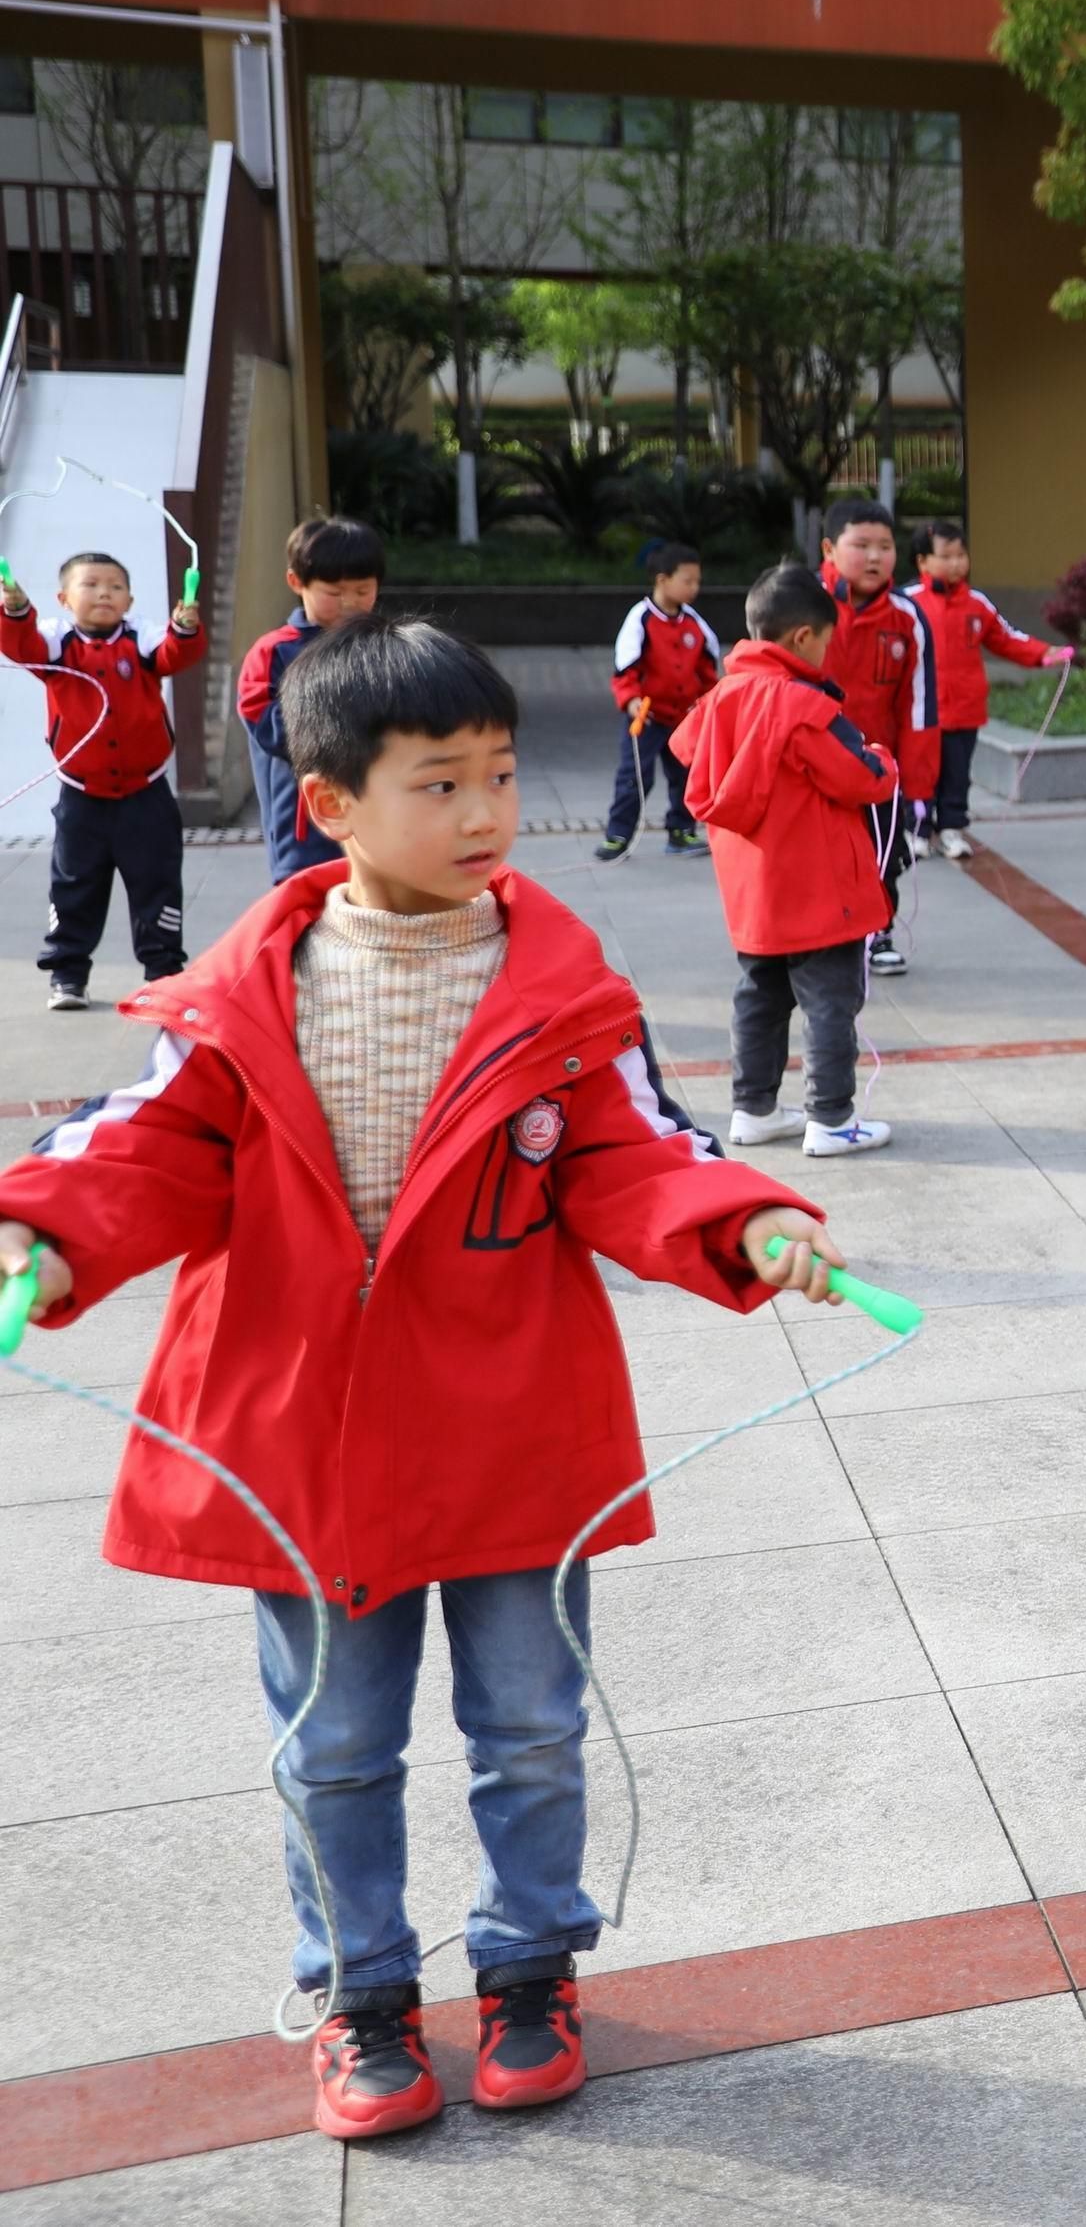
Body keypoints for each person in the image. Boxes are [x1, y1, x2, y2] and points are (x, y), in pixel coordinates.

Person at [0, 612, 843, 2140]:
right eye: (438, 784)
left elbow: (643, 1151)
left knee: (528, 1724)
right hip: (302, 1441)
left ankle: (530, 1965)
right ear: (327, 802)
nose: (484, 815)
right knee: (334, 1744)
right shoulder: (244, 993)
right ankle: (364, 1991)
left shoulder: (564, 990)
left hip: (515, 1428)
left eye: (502, 778)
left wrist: (748, 1219)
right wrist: (40, 1240)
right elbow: (131, 1149)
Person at [674, 567, 900, 1159]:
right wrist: (882, 758)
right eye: (826, 639)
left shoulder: (719, 700)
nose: (828, 651)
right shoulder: (802, 707)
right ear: (803, 637)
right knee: (830, 1002)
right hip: (820, 891)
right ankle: (831, 1119)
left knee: (760, 998)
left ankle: (754, 1109)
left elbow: (686, 752)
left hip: (753, 891)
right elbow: (861, 778)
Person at [4, 550, 204, 1011]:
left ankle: (163, 974)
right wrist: (15, 609)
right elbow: (20, 646)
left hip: (147, 793)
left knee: (157, 884)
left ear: (129, 599)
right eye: (91, 585)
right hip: (81, 797)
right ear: (64, 598)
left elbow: (178, 653)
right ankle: (68, 975)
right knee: (74, 885)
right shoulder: (54, 641)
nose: (103, 594)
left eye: (115, 587)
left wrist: (186, 626)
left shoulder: (145, 638)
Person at [900, 520, 1068, 860]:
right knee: (919, 773)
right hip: (919, 710)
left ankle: (951, 828)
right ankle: (917, 831)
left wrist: (1042, 653)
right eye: (946, 556)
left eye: (961, 554)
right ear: (923, 562)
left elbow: (1006, 638)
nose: (957, 563)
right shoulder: (906, 603)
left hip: (964, 709)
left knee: (957, 774)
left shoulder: (977, 604)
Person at [234, 516, 383, 883]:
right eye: (334, 592)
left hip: (380, 819)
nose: (349, 603)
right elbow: (269, 730)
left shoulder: (385, 647)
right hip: (304, 832)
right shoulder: (274, 652)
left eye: (362, 590)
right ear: (296, 582)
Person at [813, 501, 922, 975]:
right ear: (829, 549)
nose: (875, 557)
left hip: (879, 768)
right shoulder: (803, 604)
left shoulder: (906, 618)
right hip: (813, 763)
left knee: (883, 853)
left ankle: (879, 934)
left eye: (885, 547)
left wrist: (918, 782)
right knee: (817, 854)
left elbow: (919, 706)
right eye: (861, 546)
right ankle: (817, 938)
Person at [599, 541, 720, 863]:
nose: (695, 588)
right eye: (688, 581)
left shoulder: (696, 624)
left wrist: (708, 705)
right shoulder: (640, 620)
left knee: (686, 776)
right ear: (662, 580)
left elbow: (709, 671)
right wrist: (630, 701)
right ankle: (618, 835)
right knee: (635, 776)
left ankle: (681, 831)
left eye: (698, 581)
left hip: (684, 718)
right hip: (648, 717)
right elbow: (625, 669)